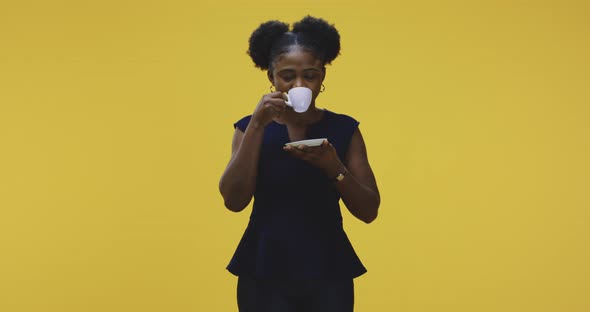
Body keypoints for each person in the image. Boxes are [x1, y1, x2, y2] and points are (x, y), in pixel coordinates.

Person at [218, 15, 381, 312]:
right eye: (287, 75)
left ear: (322, 77)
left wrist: (333, 166)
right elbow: (233, 199)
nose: (299, 84)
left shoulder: (344, 129)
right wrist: (257, 124)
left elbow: (369, 210)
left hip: (329, 266)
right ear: (271, 77)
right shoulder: (248, 128)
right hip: (263, 265)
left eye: (310, 75)